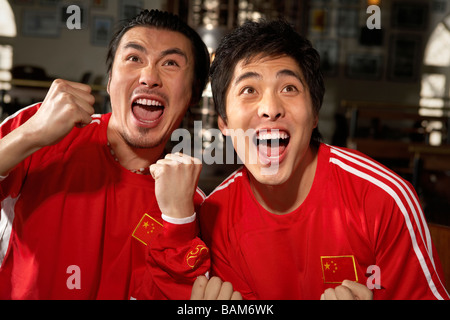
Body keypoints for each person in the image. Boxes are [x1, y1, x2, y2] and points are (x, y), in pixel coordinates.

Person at [199, 19, 450, 300]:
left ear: (315, 114)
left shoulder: (385, 199)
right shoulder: (214, 215)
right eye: (249, 90)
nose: (270, 108)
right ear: (224, 122)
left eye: (289, 88)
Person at [0, 9, 216, 300]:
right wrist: (31, 134)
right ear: (111, 78)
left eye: (171, 63)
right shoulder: (41, 128)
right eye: (134, 58)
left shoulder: (190, 205)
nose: (149, 76)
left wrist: (179, 221)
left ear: (191, 94)